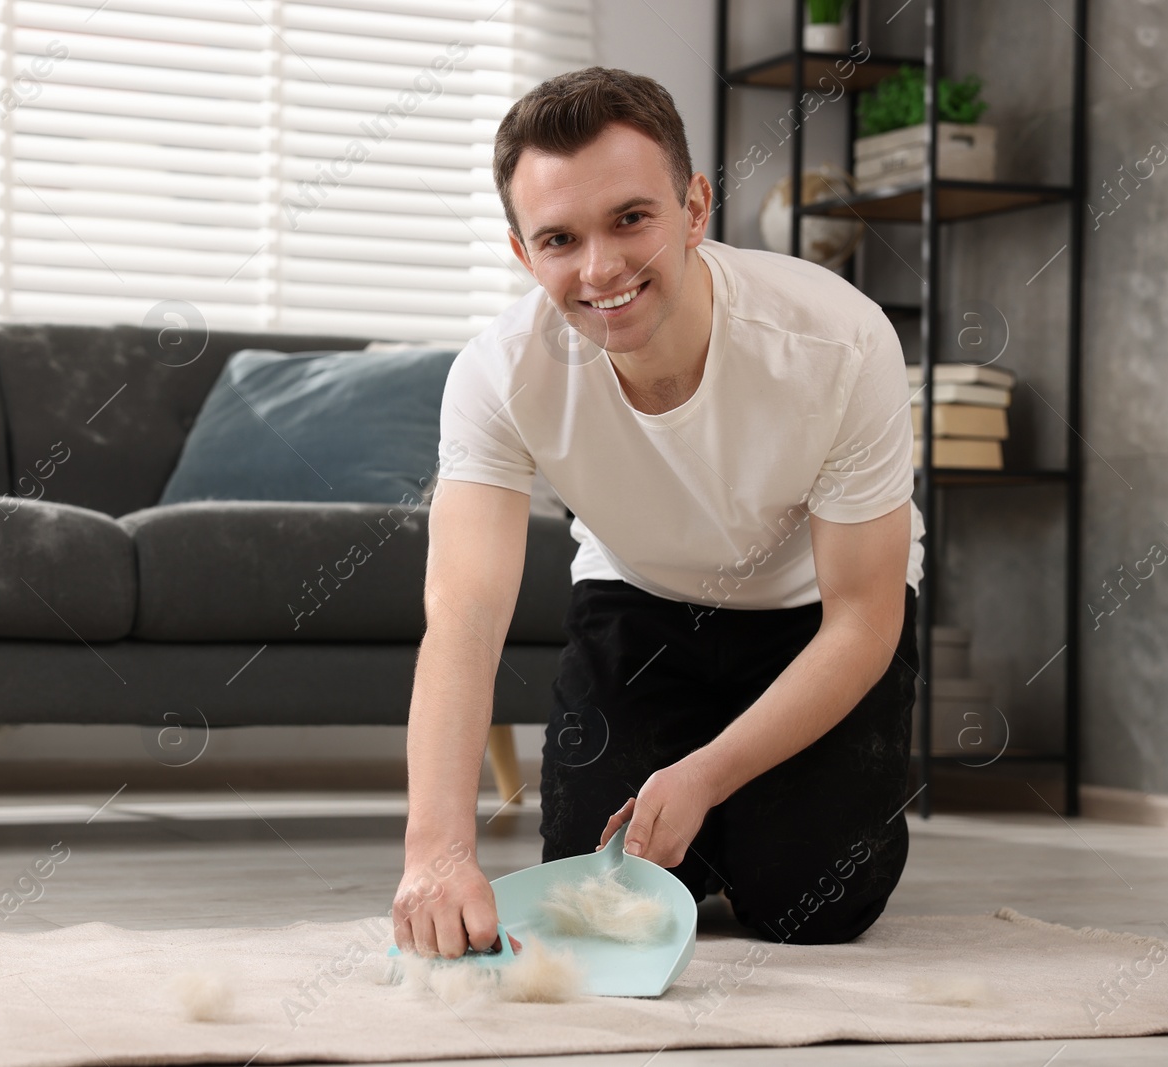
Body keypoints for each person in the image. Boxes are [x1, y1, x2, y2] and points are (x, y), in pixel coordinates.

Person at [392, 67, 925, 959]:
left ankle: (751, 825)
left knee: (813, 905)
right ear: (525, 254)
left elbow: (865, 618)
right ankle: (713, 837)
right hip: (639, 603)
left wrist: (709, 773)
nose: (600, 268)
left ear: (694, 207)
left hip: (813, 619)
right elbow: (464, 614)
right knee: (593, 898)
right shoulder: (496, 375)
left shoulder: (841, 339)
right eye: (560, 238)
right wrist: (434, 851)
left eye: (631, 219)